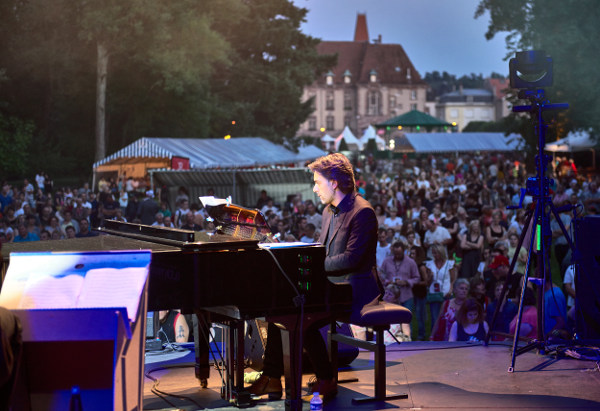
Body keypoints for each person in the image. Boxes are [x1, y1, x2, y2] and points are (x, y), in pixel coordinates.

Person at [248, 153, 380, 401]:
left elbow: (353, 260)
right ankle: (274, 378)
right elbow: (322, 250)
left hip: (356, 289)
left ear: (334, 182)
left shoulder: (363, 212)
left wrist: (314, 266)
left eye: (317, 182)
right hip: (334, 285)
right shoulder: (329, 211)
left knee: (297, 312)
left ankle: (319, 378)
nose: (314, 188)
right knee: (284, 306)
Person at [379, 241, 420, 340]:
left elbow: (417, 277)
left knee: (406, 319)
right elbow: (380, 275)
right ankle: (390, 338)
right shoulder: (386, 261)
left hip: (406, 296)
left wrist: (406, 282)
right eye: (395, 254)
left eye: (399, 254)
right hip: (390, 296)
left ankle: (407, 339)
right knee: (390, 319)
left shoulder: (410, 262)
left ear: (404, 251)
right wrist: (386, 281)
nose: (397, 256)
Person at [424, 243, 456, 328]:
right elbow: (427, 282)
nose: (435, 255)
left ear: (441, 253)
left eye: (437, 253)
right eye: (433, 253)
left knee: (448, 317)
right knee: (435, 318)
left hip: (446, 293)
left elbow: (453, 279)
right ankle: (435, 337)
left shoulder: (449, 264)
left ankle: (448, 336)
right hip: (434, 293)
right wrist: (430, 276)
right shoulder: (429, 264)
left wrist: (450, 290)